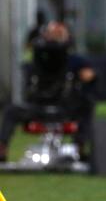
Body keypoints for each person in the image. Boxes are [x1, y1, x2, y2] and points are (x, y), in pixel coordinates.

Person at [0, 20, 96, 162]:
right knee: (11, 111)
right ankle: (2, 150)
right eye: (52, 33)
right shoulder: (36, 59)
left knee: (87, 104)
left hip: (64, 108)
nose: (55, 37)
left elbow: (90, 75)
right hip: (37, 108)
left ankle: (79, 148)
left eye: (59, 33)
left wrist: (87, 76)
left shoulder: (75, 61)